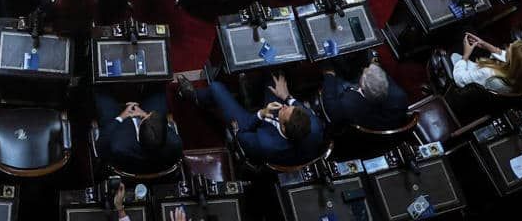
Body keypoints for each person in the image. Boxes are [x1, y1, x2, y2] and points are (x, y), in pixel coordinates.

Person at [179, 72, 328, 169]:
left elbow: (241, 134)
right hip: (275, 127)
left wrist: (260, 114)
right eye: (289, 107)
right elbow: (297, 107)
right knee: (273, 77)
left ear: (283, 127)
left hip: (253, 127)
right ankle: (251, 93)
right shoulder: (313, 125)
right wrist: (286, 97)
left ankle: (195, 97)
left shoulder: (264, 143)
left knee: (216, 88)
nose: (284, 106)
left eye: (285, 109)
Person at [95, 91, 182, 176]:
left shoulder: (118, 146)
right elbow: (163, 126)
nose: (149, 114)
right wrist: (144, 114)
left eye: (147, 116)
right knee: (158, 92)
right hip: (156, 166)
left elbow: (101, 145)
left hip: (125, 165)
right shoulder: (175, 143)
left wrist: (122, 116)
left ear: (139, 125)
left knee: (102, 95)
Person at [320, 59, 411, 131]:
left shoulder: (349, 106)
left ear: (362, 87)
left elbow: (332, 107)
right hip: (385, 129)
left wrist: (329, 75)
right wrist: (374, 65)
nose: (364, 69)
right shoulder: (401, 97)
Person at [449, 34, 522, 95]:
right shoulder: (518, 76)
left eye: (509, 48)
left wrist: (466, 55)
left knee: (454, 51)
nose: (509, 45)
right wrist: (484, 44)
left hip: (462, 77)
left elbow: (459, 80)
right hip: (479, 78)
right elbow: (504, 55)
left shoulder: (489, 74)